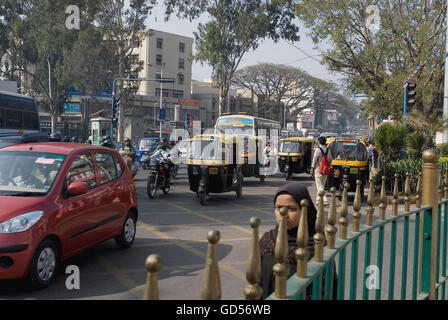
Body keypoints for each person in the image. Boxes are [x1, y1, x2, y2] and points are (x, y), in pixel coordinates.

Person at [259, 182, 335, 299]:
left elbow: (327, 291)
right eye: (278, 207)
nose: (283, 214)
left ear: (306, 210)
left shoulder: (318, 248)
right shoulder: (267, 241)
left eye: (291, 208)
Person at [310, 136, 333, 206]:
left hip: (318, 170)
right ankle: (318, 200)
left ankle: (325, 200)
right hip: (325, 170)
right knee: (322, 185)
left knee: (319, 186)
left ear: (319, 142)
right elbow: (331, 160)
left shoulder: (317, 150)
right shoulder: (328, 150)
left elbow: (314, 160)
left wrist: (312, 169)